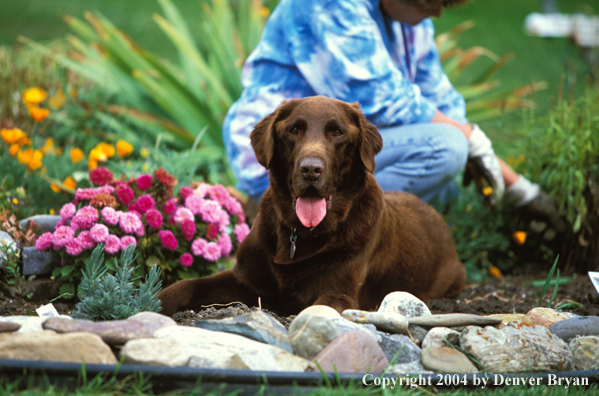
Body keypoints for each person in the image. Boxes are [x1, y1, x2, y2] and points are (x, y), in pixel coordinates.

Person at [222, 0, 564, 231]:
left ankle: (353, 237)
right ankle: (288, 219)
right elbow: (385, 101)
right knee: (445, 149)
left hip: (340, 153)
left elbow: (441, 101)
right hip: (284, 159)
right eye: (429, 2)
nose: (437, 14)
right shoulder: (328, 5)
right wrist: (515, 184)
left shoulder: (409, 20)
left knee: (454, 174)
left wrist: (484, 156)